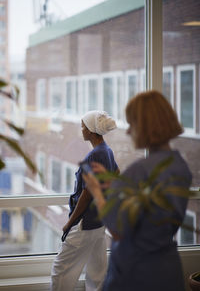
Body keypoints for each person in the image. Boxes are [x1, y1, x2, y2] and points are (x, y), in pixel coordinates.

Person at [83, 90, 192, 291]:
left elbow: (117, 230)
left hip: (135, 273)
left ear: (146, 126)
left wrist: (97, 192)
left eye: (132, 124)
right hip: (167, 271)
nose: (128, 131)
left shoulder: (140, 171)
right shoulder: (180, 166)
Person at [50, 110, 119, 291]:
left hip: (85, 223)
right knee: (97, 271)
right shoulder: (107, 151)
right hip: (99, 221)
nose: (81, 129)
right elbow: (116, 174)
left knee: (60, 269)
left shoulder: (95, 154)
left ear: (90, 130)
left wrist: (69, 223)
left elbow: (87, 194)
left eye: (83, 126)